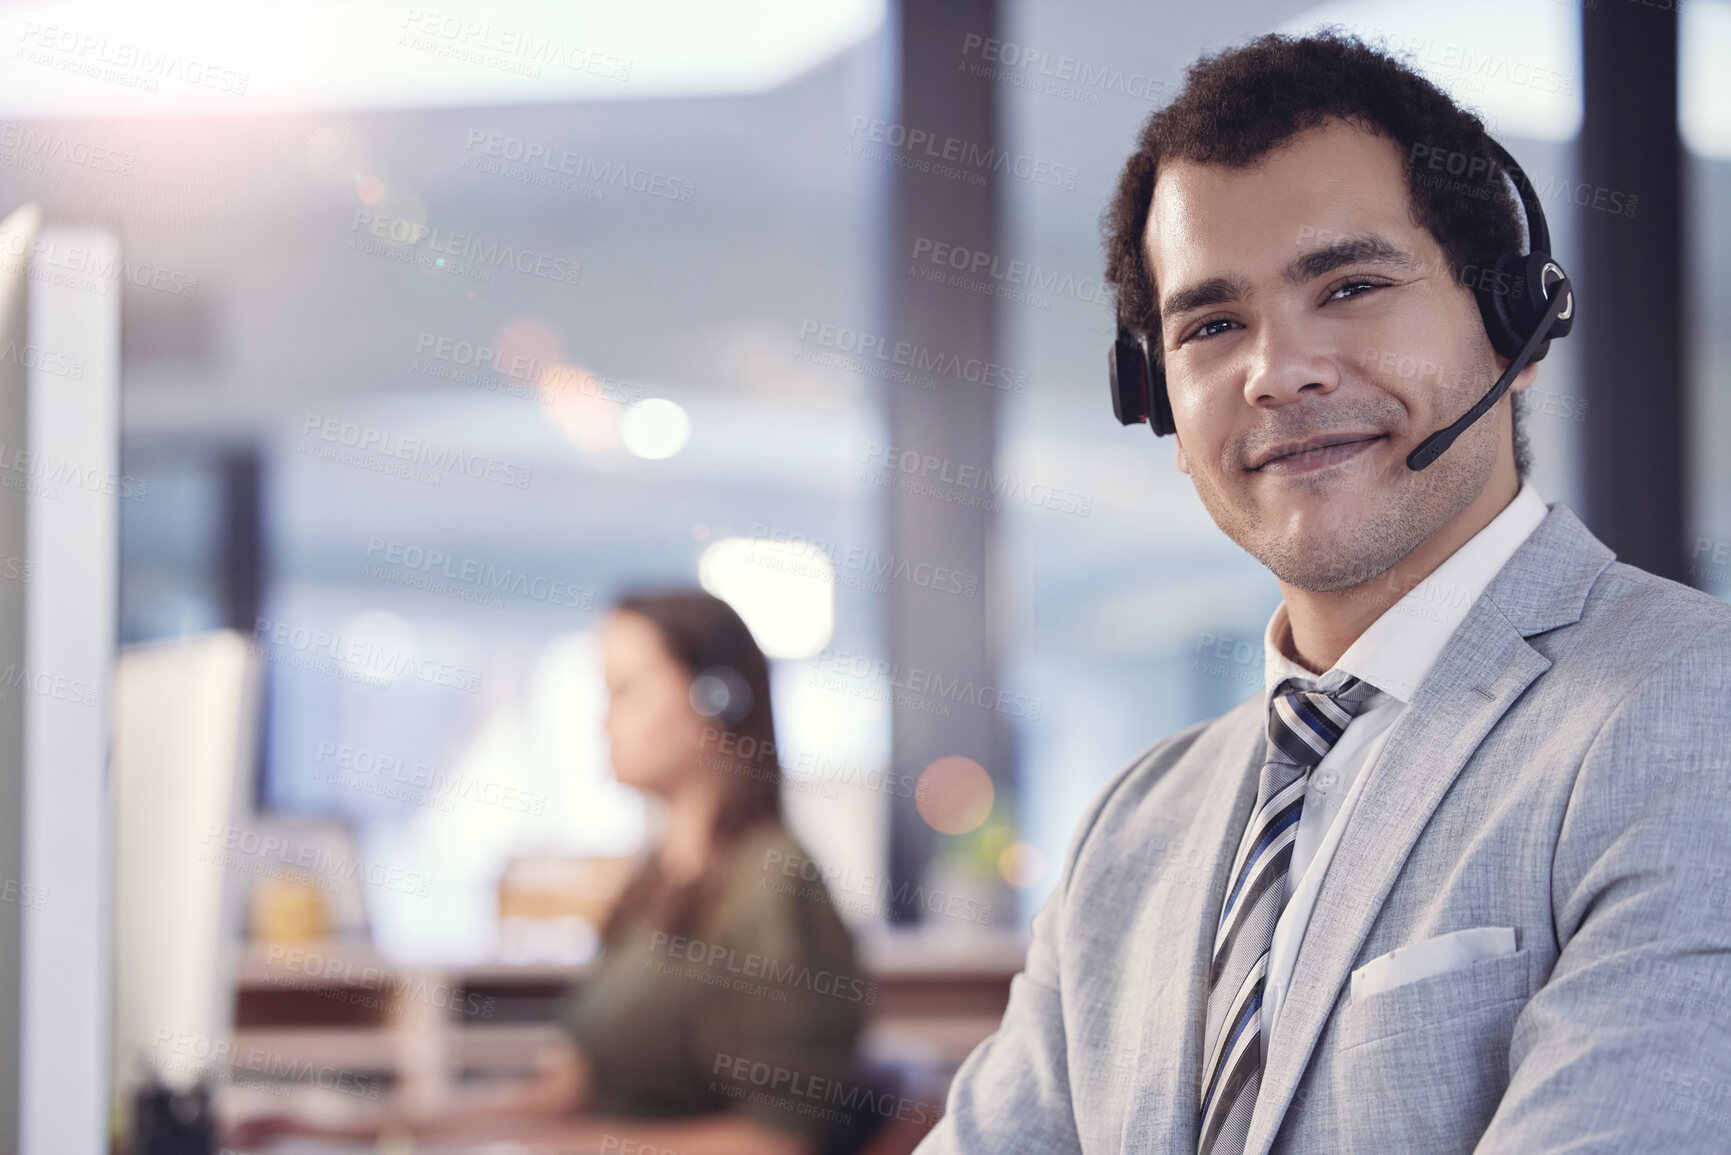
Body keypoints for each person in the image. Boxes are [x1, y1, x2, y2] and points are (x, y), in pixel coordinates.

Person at [915, 31, 1731, 1155]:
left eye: (1348, 287)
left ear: (1516, 323)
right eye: (1210, 325)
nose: (1277, 371)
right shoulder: (1133, 828)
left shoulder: (1693, 715)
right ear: (1155, 397)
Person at [227, 588, 866, 1154]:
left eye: (624, 691)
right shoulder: (658, 876)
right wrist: (350, 1131)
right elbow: (565, 1093)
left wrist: (561, 1146)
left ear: (716, 702)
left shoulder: (775, 884)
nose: (603, 719)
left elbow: (775, 1142)